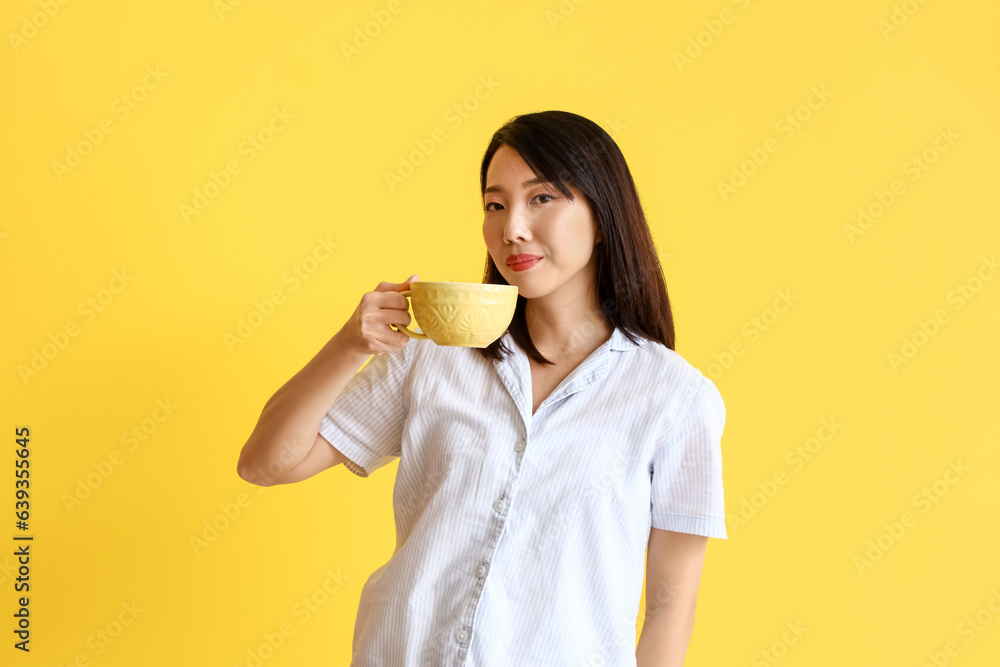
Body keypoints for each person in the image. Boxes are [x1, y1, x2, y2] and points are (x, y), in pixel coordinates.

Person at [236, 110, 728, 667]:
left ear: (603, 210)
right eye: (495, 205)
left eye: (542, 198)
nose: (512, 227)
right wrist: (349, 345)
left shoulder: (674, 397)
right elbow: (264, 464)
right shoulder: (432, 358)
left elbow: (670, 606)